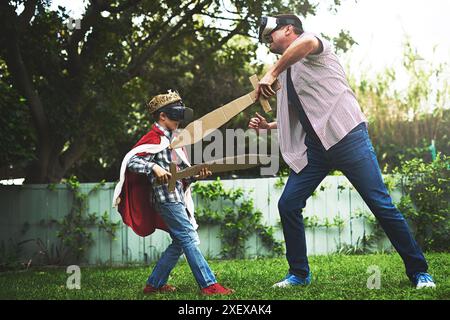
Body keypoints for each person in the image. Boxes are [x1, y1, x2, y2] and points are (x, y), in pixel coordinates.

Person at [248, 14, 435, 289]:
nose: (268, 43)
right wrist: (270, 125)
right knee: (288, 203)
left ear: (289, 29)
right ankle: (299, 274)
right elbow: (306, 111)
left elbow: (307, 41)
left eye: (270, 36)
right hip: (316, 149)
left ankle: (420, 272)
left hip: (347, 138)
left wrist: (272, 71)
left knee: (381, 205)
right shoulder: (288, 71)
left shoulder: (313, 45)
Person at [114, 90, 234, 295]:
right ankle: (209, 285)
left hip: (177, 197)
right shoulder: (153, 138)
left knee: (180, 241)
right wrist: (153, 168)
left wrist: (196, 174)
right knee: (188, 237)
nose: (179, 120)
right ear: (162, 116)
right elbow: (131, 160)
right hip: (165, 198)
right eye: (175, 114)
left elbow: (179, 174)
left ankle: (154, 284)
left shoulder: (175, 140)